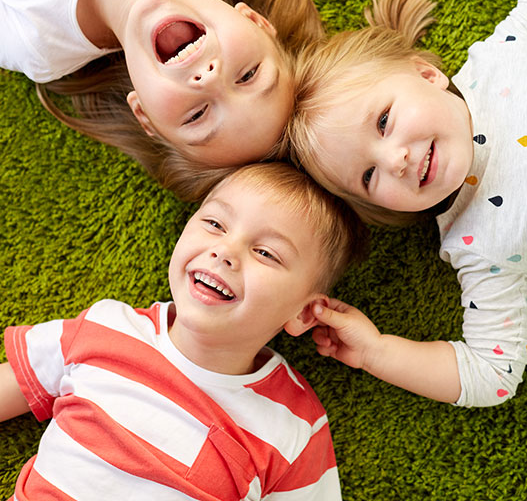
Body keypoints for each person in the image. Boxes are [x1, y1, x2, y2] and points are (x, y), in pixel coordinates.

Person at [286, 0, 527, 407]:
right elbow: (492, 374)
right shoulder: (477, 244)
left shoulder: (503, 60)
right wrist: (378, 353)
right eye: (368, 175)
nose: (395, 160)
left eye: (384, 121)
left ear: (426, 74)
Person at [0, 161, 368, 500]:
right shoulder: (106, 326)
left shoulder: (294, 426)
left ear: (303, 313)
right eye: (215, 224)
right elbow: (11, 386)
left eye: (266, 253)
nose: (224, 251)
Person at [0, 0, 323, 201]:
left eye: (197, 115)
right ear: (254, 20)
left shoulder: (37, 44)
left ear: (143, 114)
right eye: (248, 75)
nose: (209, 80)